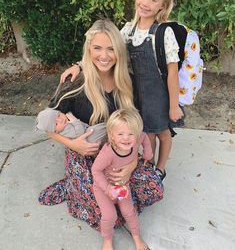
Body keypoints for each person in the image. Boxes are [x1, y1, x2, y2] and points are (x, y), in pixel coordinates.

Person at [38, 19, 163, 231]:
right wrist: (74, 145)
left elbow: (137, 128)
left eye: (111, 49)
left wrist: (132, 164)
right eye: (97, 48)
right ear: (88, 49)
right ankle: (74, 184)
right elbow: (46, 124)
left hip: (120, 152)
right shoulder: (74, 83)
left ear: (119, 52)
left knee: (153, 188)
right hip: (85, 155)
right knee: (103, 211)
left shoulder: (128, 82)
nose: (104, 56)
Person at [60, 0, 184, 181]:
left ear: (161, 6)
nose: (145, 2)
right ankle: (148, 165)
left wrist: (173, 105)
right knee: (146, 132)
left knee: (163, 133)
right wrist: (80, 65)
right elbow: (109, 47)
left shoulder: (163, 32)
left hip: (158, 93)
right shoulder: (128, 30)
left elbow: (172, 73)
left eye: (153, 0)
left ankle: (160, 168)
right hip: (136, 92)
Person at [92, 108, 152, 250]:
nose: (126, 138)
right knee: (109, 216)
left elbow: (144, 136)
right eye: (120, 134)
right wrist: (107, 189)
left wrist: (148, 154)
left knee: (129, 212)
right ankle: (107, 240)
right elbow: (95, 170)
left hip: (122, 185)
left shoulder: (137, 139)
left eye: (131, 133)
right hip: (103, 189)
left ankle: (136, 236)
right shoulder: (107, 153)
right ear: (111, 136)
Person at [35, 108, 107, 144]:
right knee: (97, 130)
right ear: (56, 131)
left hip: (87, 130)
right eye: (56, 124)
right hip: (87, 138)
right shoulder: (65, 131)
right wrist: (75, 121)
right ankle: (109, 126)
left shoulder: (65, 122)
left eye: (59, 115)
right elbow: (80, 133)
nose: (61, 120)